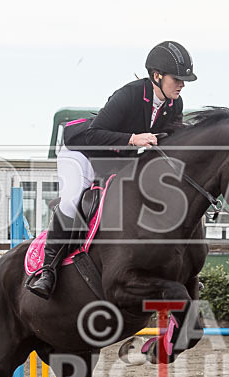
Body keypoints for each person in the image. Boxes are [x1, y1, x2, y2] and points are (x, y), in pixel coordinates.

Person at [27, 41, 197, 299]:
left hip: (117, 159)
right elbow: (94, 134)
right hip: (82, 151)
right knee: (73, 201)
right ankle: (47, 270)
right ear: (157, 76)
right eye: (178, 79)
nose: (182, 84)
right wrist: (132, 139)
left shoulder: (175, 104)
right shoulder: (129, 95)